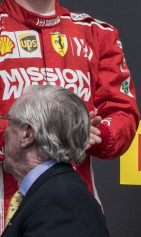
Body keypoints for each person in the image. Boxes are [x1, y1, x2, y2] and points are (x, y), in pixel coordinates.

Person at [0, 0, 139, 230]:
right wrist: (29, 135)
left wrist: (94, 134)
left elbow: (123, 116)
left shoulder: (97, 33)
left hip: (73, 210)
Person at [1, 85, 110, 236]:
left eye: (9, 121)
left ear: (27, 134)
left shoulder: (57, 202)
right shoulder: (51, 191)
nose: (4, 132)